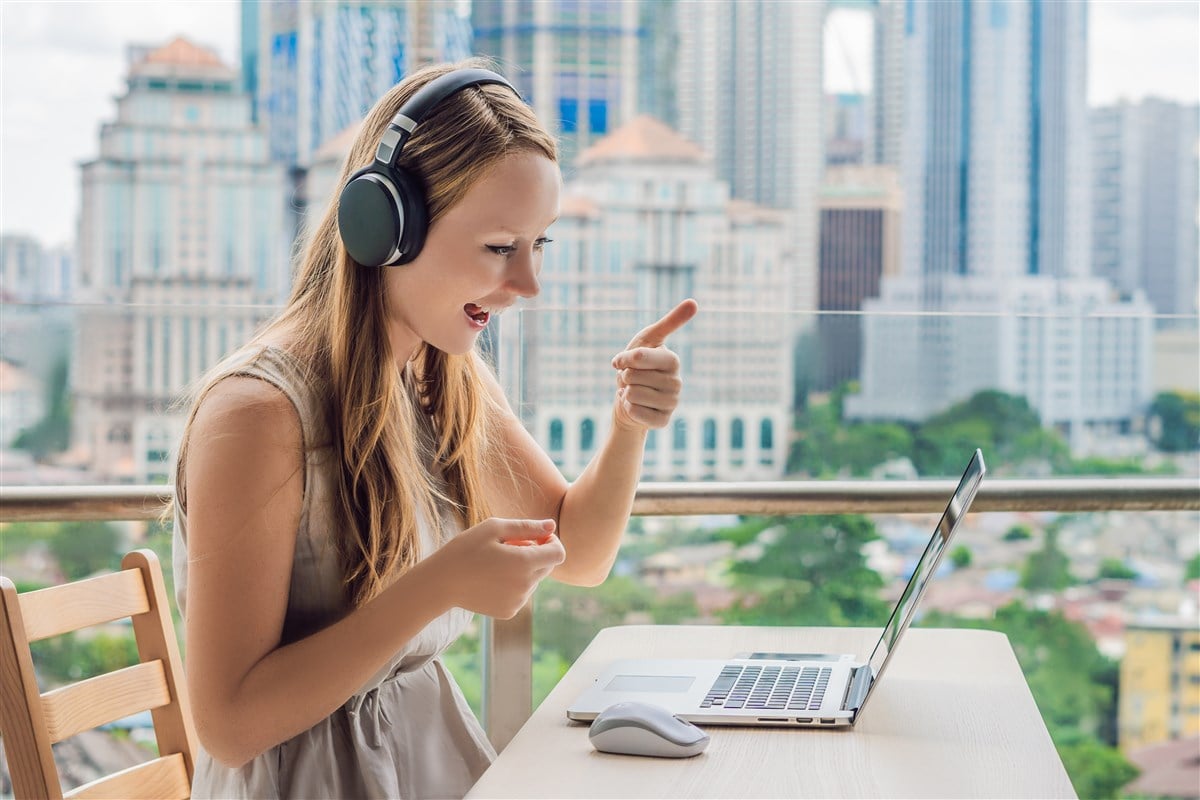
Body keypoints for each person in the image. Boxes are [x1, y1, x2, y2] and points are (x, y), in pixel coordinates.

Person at [171, 59, 697, 799]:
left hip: (426, 765)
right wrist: (439, 586)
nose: (526, 286)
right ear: (384, 225)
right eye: (498, 247)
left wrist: (628, 423)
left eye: (537, 246)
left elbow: (577, 553)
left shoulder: (440, 376)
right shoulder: (258, 415)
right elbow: (229, 724)